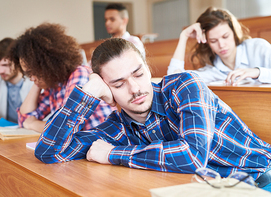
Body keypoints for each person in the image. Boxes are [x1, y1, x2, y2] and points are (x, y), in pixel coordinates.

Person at [35, 38, 271, 191]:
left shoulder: (184, 85)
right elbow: (49, 152)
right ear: (107, 91)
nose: (135, 89)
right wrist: (85, 95)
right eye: (118, 84)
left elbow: (192, 156)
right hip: (211, 188)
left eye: (138, 74)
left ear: (148, 68)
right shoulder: (118, 125)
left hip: (261, 178)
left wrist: (114, 154)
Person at [10, 23, 116, 132]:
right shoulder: (54, 84)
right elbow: (24, 117)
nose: (31, 78)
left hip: (105, 143)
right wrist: (37, 83)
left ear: (49, 64)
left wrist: (32, 124)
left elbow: (65, 129)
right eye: (28, 74)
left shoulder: (79, 74)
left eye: (33, 71)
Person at [167, 6, 271, 85]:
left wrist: (258, 72)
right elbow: (173, 81)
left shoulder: (258, 47)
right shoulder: (212, 70)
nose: (221, 45)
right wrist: (184, 36)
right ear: (206, 42)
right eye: (213, 41)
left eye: (225, 37)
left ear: (234, 33)